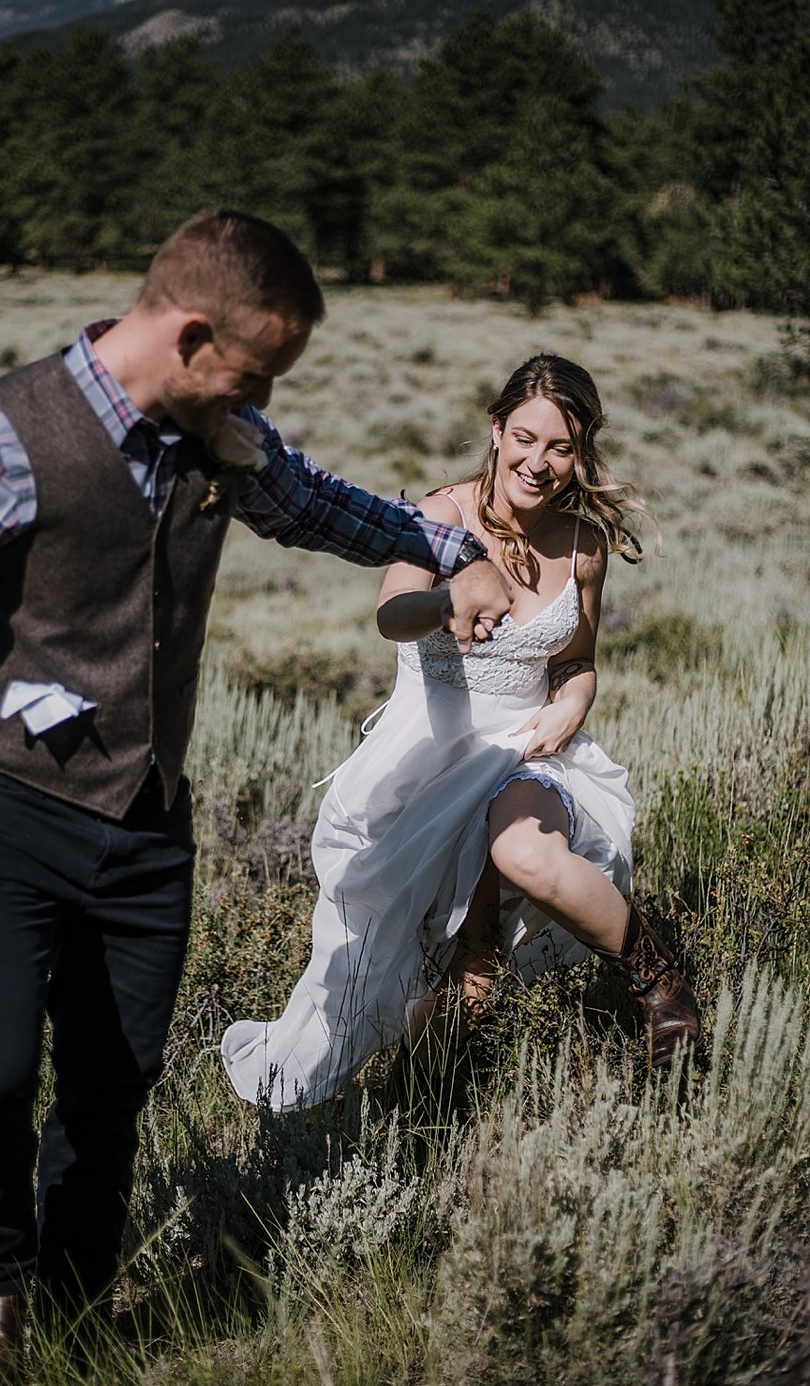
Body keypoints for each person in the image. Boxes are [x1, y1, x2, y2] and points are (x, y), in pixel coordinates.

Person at [0, 211, 513, 1386]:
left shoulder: (217, 433)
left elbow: (317, 507)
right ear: (189, 333)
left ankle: (79, 1315)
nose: (261, 398)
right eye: (254, 372)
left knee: (109, 1085)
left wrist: (447, 549)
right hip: (0, 808)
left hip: (146, 825)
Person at [222, 354, 702, 1113]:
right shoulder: (441, 516)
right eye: (525, 438)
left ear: (582, 454)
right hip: (430, 768)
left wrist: (574, 703)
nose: (538, 463)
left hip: (528, 753)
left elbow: (578, 662)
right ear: (496, 430)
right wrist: (447, 595)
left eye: (561, 448)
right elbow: (392, 612)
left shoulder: (583, 546)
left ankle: (663, 988)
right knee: (456, 961)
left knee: (524, 854)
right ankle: (422, 1107)